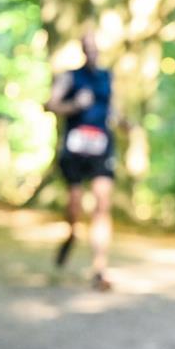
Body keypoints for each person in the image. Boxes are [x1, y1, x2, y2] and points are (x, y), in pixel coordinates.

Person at [44, 28, 116, 291]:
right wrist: (73, 105)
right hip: (75, 149)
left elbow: (115, 111)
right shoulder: (69, 77)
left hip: (102, 148)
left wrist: (125, 124)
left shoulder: (109, 77)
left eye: (96, 45)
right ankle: (72, 233)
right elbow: (49, 105)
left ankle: (100, 268)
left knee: (101, 205)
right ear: (82, 49)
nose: (92, 50)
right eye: (88, 46)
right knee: (75, 207)